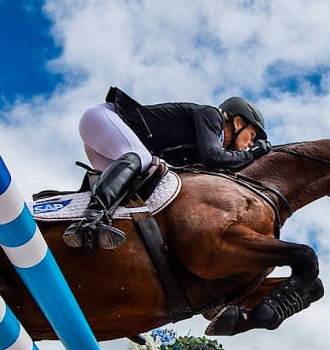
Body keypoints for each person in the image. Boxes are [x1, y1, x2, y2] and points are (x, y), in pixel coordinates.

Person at [63, 87, 272, 251]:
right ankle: (90, 218)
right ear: (237, 122)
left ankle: (74, 218)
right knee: (144, 159)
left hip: (108, 147)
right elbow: (214, 158)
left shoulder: (199, 148)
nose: (250, 145)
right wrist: (254, 155)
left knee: (136, 194)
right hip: (103, 118)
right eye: (252, 137)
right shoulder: (211, 116)